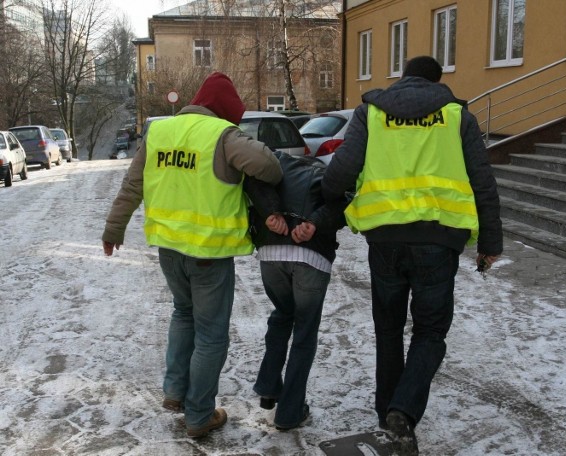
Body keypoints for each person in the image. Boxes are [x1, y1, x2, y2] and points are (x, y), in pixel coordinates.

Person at [321, 56, 503, 455]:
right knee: (430, 332)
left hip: (384, 239)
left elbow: (341, 170)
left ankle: (387, 407)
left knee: (388, 328)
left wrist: (324, 200)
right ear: (438, 82)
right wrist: (491, 244)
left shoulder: (372, 112)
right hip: (439, 241)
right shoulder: (457, 117)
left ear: (403, 77)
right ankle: (402, 410)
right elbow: (483, 182)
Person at [101, 72, 283, 439]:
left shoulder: (160, 133)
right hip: (208, 253)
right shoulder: (223, 135)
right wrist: (239, 138)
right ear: (224, 112)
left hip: (170, 248)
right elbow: (270, 168)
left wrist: (113, 229)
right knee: (212, 335)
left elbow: (132, 185)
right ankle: (199, 414)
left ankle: (175, 391)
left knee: (183, 314)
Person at [244, 151, 350, 431]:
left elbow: (253, 182)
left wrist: (271, 213)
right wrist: (313, 224)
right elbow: (342, 206)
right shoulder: (327, 174)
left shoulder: (273, 162)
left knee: (282, 313)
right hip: (310, 259)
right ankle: (290, 412)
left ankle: (269, 386)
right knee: (304, 331)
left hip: (272, 252)